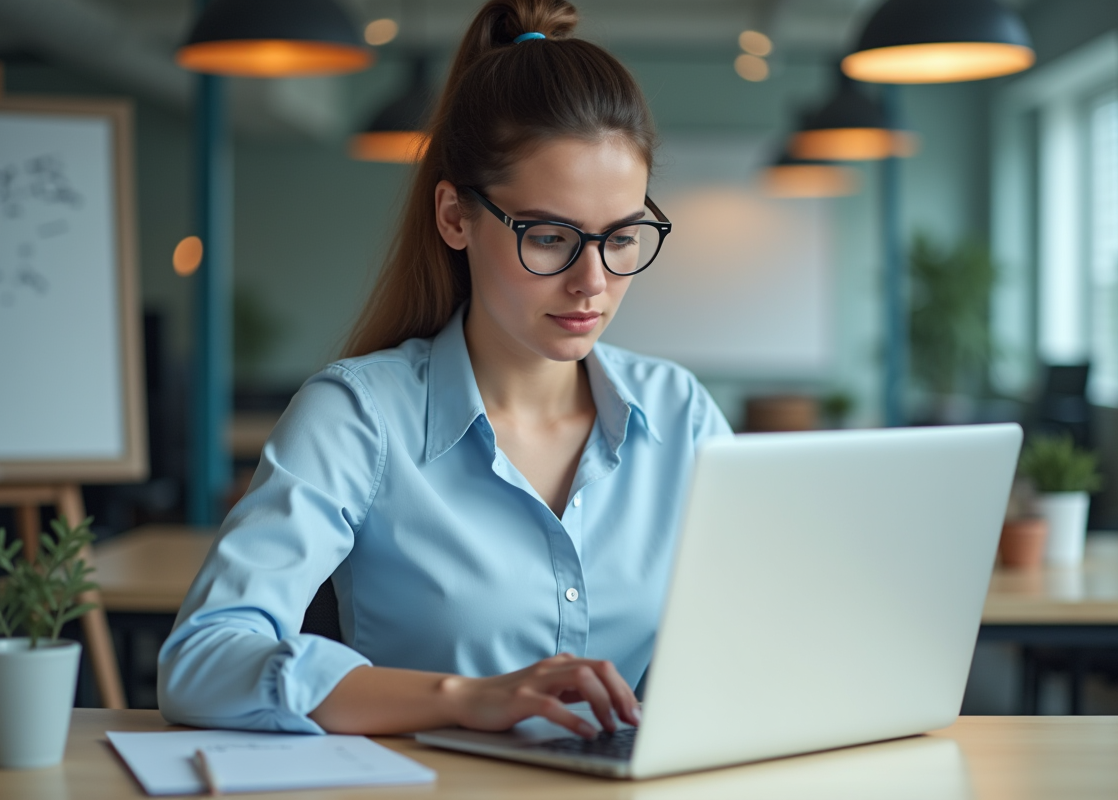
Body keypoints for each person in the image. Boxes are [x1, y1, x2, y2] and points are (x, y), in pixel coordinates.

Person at [158, 0, 732, 740]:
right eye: (551, 236)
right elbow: (203, 658)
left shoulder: (679, 413)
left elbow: (768, 625)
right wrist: (463, 698)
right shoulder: (360, 415)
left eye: (622, 237)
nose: (593, 280)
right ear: (456, 217)